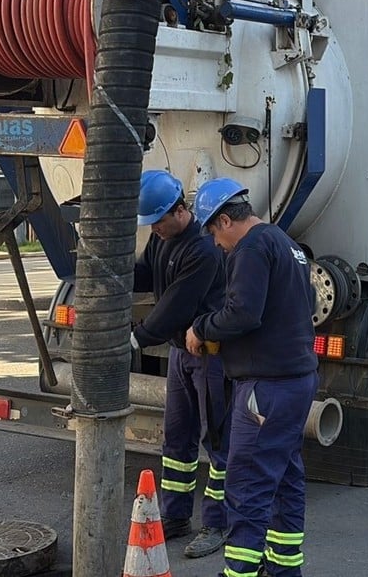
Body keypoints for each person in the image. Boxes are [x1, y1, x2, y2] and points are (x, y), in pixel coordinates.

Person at [184, 177, 317, 577]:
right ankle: (283, 569)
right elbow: (305, 303)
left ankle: (239, 572)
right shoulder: (286, 243)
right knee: (286, 478)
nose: (214, 242)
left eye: (212, 231)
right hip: (296, 381)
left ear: (225, 220)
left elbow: (243, 313)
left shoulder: (251, 248)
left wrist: (202, 328)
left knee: (246, 487)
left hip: (266, 388)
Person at [130, 169, 230, 559]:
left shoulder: (203, 249)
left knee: (216, 442)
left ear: (180, 210)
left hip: (211, 356)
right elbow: (146, 275)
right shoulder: (162, 241)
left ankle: (217, 523)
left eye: (157, 222)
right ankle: (174, 516)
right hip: (180, 355)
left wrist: (137, 338)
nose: (153, 230)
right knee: (177, 439)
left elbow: (177, 306)